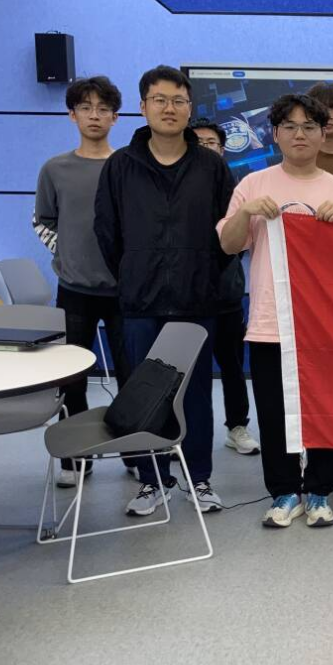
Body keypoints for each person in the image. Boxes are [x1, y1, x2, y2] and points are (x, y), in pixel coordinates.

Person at [217, 93, 333, 528]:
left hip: (326, 324)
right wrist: (246, 212)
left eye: (309, 126)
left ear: (324, 133)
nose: (299, 134)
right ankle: (284, 492)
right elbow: (228, 245)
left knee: (325, 410)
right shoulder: (253, 185)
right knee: (272, 412)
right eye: (289, 126)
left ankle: (320, 490)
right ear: (275, 133)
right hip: (271, 321)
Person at [94, 65, 234, 516]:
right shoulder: (121, 166)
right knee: (145, 394)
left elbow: (229, 232)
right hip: (140, 302)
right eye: (160, 100)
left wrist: (204, 272)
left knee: (195, 395)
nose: (169, 108)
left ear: (190, 108)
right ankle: (152, 480)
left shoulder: (211, 166)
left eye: (178, 100)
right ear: (143, 107)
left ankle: (199, 478)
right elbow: (107, 232)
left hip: (197, 299)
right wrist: (133, 272)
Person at [33, 75, 137, 488]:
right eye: (86, 108)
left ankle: (135, 452)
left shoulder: (128, 167)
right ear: (72, 115)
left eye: (103, 109)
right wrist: (65, 252)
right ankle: (76, 456)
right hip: (74, 289)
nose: (95, 115)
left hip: (124, 291)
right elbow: (43, 219)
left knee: (131, 375)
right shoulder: (54, 169)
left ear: (115, 117)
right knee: (71, 377)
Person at [190, 119, 260, 457]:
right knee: (188, 371)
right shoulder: (175, 186)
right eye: (198, 143)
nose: (206, 149)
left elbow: (242, 241)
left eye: (212, 143)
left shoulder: (238, 189)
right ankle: (181, 431)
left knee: (232, 366)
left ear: (223, 149)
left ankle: (237, 427)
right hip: (185, 299)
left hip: (226, 295)